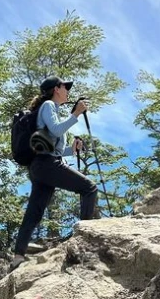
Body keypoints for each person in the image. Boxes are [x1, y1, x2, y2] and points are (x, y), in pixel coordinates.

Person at [12, 76, 97, 268]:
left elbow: (55, 147)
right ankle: (83, 239)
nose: (67, 90)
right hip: (47, 164)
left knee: (34, 212)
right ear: (56, 89)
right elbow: (58, 131)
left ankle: (18, 257)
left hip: (40, 166)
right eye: (65, 87)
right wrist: (76, 113)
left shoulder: (50, 110)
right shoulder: (48, 106)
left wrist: (72, 149)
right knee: (89, 188)